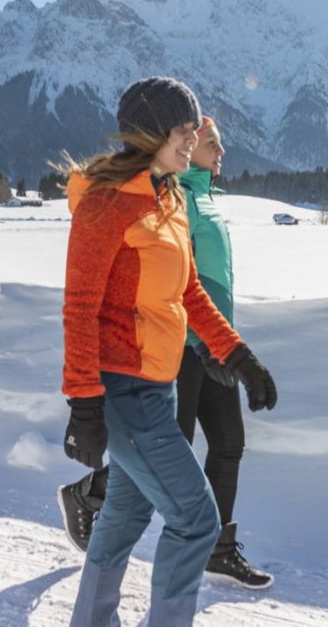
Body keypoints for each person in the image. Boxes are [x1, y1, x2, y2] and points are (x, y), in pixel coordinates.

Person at [58, 77, 279, 626]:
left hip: (159, 386)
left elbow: (187, 291)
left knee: (121, 520)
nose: (193, 139)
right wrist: (84, 403)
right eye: (184, 131)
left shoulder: (169, 196)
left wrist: (237, 355)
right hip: (125, 391)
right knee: (197, 522)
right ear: (153, 131)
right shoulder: (107, 204)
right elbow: (80, 307)